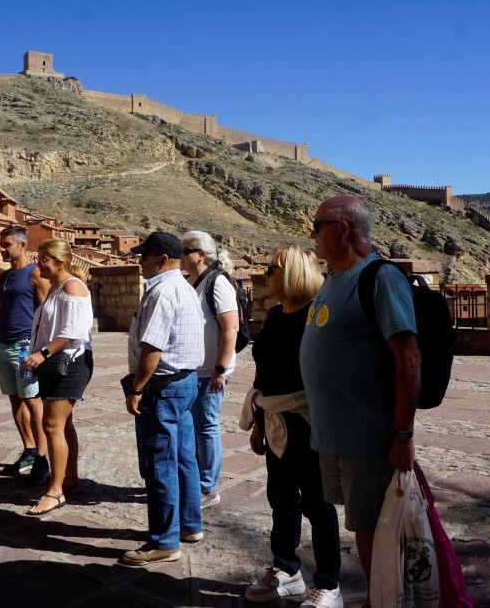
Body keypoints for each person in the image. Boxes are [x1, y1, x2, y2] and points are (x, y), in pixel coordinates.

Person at [300, 195, 421, 602]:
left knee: (375, 533)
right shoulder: (334, 278)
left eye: (316, 227)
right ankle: (378, 596)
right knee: (362, 528)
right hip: (334, 435)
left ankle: (382, 600)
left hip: (368, 437)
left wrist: (402, 435)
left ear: (342, 229)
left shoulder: (380, 278)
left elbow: (408, 358)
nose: (312, 236)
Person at [242, 245, 342, 607]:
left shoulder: (319, 315)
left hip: (309, 422)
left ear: (294, 272)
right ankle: (287, 570)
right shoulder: (272, 316)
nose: (265, 274)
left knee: (318, 504)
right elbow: (263, 373)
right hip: (274, 420)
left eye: (272, 268)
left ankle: (329, 585)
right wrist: (258, 423)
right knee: (281, 500)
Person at [119, 232, 204, 567]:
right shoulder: (184, 288)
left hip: (163, 388)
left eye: (144, 256)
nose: (139, 261)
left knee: (160, 463)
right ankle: (189, 525)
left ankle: (164, 541)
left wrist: (137, 387)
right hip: (185, 384)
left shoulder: (162, 292)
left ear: (161, 259)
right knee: (183, 457)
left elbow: (152, 347)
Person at [19, 239, 94, 515]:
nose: (39, 264)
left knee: (52, 426)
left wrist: (41, 354)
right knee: (63, 425)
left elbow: (73, 331)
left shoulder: (72, 287)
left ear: (59, 262)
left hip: (69, 364)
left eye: (43, 259)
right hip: (55, 363)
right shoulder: (55, 288)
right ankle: (69, 481)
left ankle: (55, 490)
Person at [0, 226, 51, 485]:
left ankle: (43, 459)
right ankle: (29, 451)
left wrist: (41, 351)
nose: (2, 248)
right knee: (15, 401)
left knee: (33, 402)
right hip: (2, 345)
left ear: (22, 246)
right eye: (1, 244)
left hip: (24, 346)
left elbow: (46, 314)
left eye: (7, 244)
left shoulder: (35, 274)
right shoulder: (3, 277)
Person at [179, 230, 240, 508]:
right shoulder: (190, 282)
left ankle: (207, 488)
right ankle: (196, 481)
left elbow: (231, 329)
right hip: (195, 369)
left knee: (206, 427)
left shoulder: (217, 283)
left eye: (185, 250)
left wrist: (220, 369)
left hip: (211, 370)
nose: (181, 255)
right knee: (193, 427)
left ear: (201, 255)